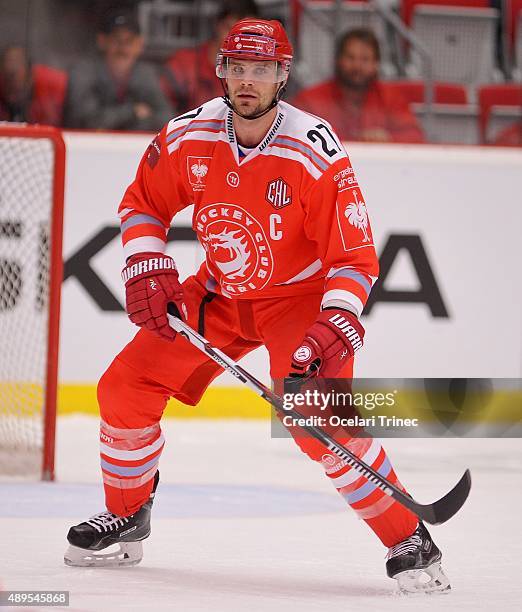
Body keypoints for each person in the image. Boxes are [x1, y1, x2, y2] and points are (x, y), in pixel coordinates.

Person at [64, 18, 448, 593]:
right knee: (124, 386)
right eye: (238, 69)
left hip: (299, 301)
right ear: (222, 71)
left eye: (261, 70)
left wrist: (336, 320)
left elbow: (355, 255)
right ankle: (126, 514)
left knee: (319, 421)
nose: (248, 81)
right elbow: (143, 201)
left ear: (282, 76)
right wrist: (147, 263)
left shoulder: (314, 150)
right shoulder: (191, 135)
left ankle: (409, 539)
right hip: (219, 293)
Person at [292, 28, 424, 144]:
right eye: (350, 57)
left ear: (376, 64)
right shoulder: (310, 99)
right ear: (337, 60)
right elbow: (293, 136)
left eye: (365, 59)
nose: (357, 66)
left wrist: (388, 137)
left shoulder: (391, 98)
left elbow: (415, 137)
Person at [64, 9, 171, 131]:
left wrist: (138, 122)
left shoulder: (145, 74)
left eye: (129, 41)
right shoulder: (83, 71)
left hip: (132, 146)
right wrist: (132, 112)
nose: (123, 48)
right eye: (116, 40)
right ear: (102, 41)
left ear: (139, 44)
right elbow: (85, 120)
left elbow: (167, 118)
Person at [163, 0, 259, 113]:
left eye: (247, 34)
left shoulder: (264, 73)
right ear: (217, 26)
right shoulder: (183, 64)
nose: (238, 41)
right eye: (230, 30)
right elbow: (162, 114)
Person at [0, 46, 67, 126]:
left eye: (17, 90)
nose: (12, 96)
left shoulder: (51, 91)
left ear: (30, 78)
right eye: (8, 87)